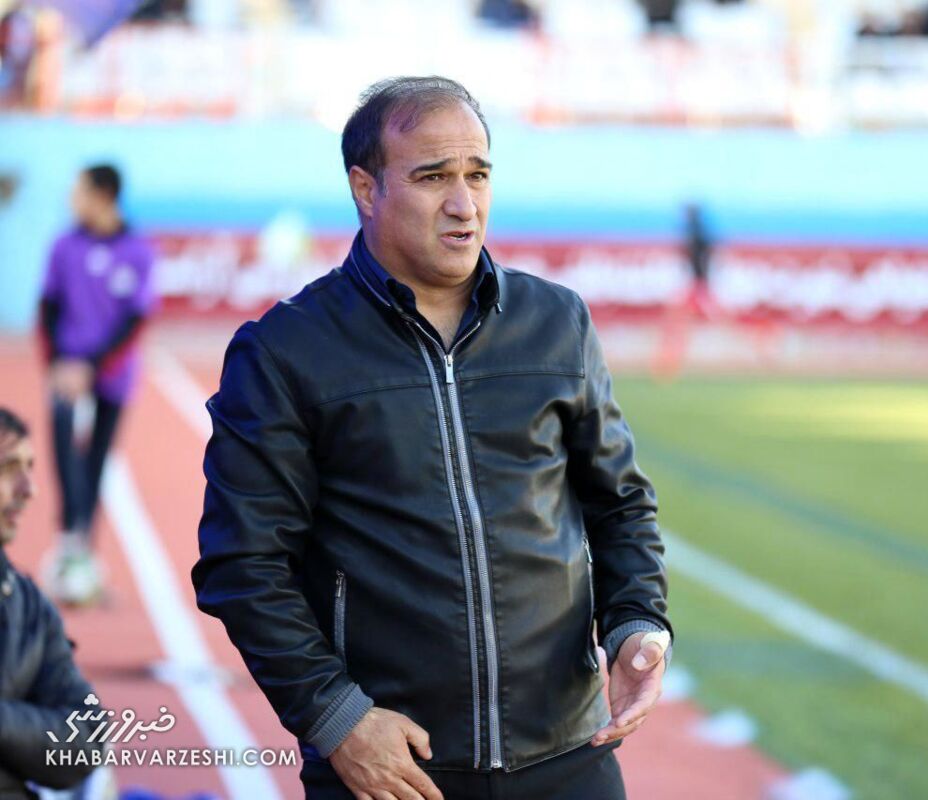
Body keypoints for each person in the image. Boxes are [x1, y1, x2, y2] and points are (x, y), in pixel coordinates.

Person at [192, 76, 672, 800]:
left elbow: (620, 503)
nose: (463, 204)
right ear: (366, 188)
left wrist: (637, 621)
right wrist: (337, 719)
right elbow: (244, 563)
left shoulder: (557, 322)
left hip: (569, 757)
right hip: (392, 768)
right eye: (433, 177)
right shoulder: (285, 352)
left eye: (478, 175)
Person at [38, 164, 157, 606]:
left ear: (104, 195)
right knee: (63, 456)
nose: (72, 200)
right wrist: (58, 363)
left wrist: (93, 366)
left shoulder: (138, 251)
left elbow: (135, 320)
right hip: (65, 371)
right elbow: (48, 306)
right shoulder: (63, 245)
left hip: (111, 375)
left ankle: (80, 552)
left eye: (80, 191)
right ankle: (72, 542)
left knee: (96, 462)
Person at [0, 407, 105, 799]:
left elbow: (88, 738)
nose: (29, 489)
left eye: (30, 468)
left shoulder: (28, 606)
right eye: (9, 468)